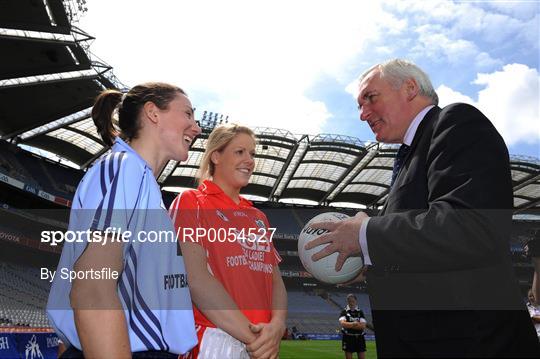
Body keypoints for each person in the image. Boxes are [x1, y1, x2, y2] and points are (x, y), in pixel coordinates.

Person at [305, 59, 540, 357]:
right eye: (359, 106)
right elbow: (428, 247)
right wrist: (369, 263)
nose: (363, 114)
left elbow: (471, 227)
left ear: (410, 88)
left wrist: (365, 234)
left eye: (370, 98)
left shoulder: (455, 122)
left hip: (471, 344)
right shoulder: (406, 158)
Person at [47, 83, 201, 358]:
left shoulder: (141, 180)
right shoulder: (124, 167)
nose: (196, 127)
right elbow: (92, 287)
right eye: (188, 114)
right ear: (153, 112)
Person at [169, 124, 287, 359]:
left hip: (260, 344)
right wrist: (256, 338)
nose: (249, 160)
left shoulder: (258, 216)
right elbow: (194, 278)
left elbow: (275, 281)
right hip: (214, 340)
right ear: (216, 156)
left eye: (252, 154)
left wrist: (277, 326)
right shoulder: (192, 201)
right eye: (239, 152)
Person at [339, 294, 367, 359]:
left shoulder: (360, 312)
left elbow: (363, 326)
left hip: (360, 337)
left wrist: (349, 325)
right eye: (349, 301)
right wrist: (355, 323)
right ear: (347, 302)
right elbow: (343, 324)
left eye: (353, 301)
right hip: (348, 337)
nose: (351, 303)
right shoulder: (344, 311)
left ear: (356, 301)